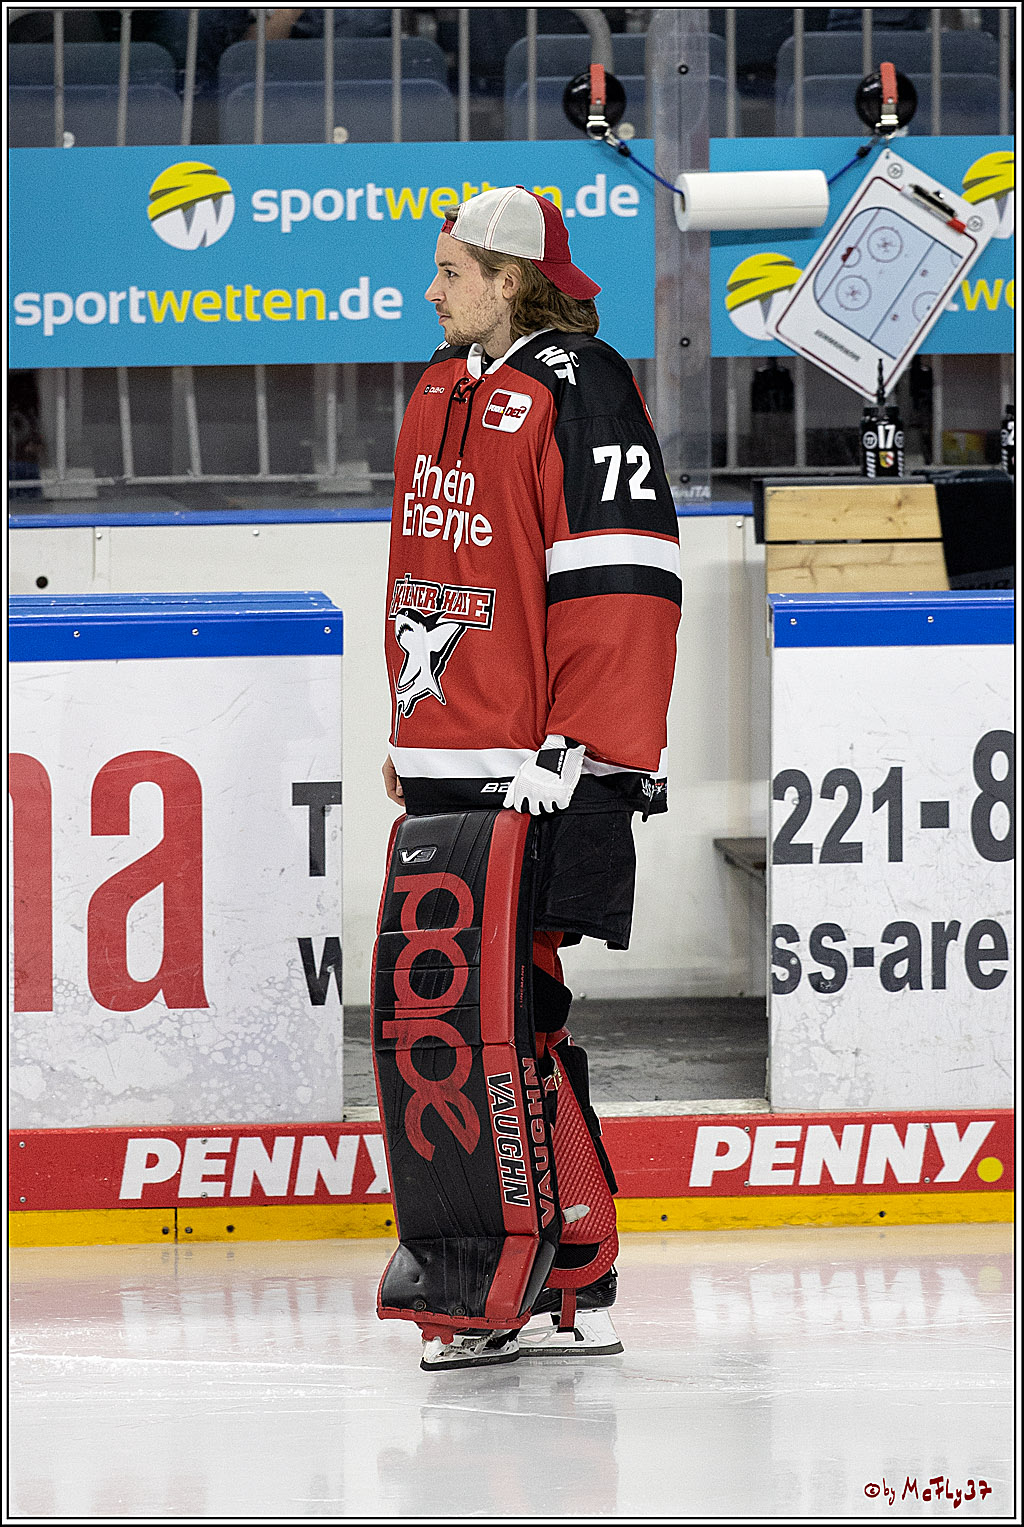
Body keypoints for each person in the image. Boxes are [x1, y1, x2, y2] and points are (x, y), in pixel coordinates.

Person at [378, 185, 681, 1369]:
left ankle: (531, 1273)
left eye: (451, 269)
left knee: (506, 1020)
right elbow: (424, 573)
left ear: (509, 277)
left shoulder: (582, 382)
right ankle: (562, 1265)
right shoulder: (440, 386)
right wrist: (408, 731)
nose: (433, 287)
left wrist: (586, 746)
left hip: (537, 770)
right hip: (448, 764)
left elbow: (622, 575)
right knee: (478, 1022)